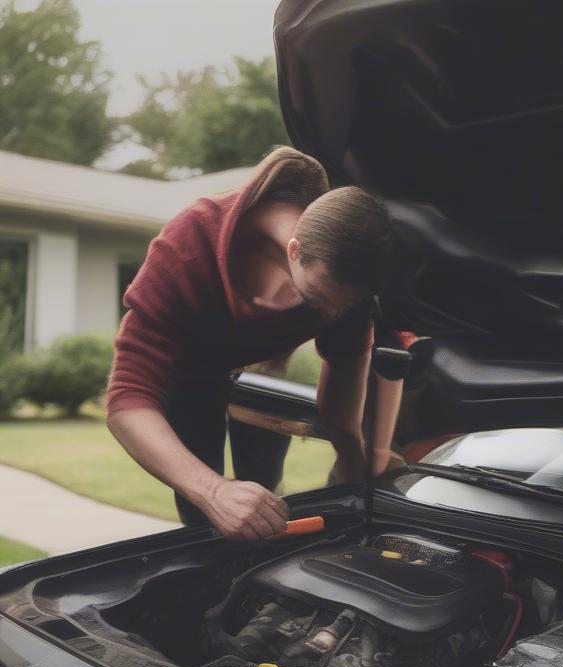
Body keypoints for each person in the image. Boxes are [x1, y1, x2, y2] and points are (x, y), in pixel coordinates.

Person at [106, 146, 404, 542]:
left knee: (264, 500)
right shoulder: (187, 246)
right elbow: (127, 400)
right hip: (188, 374)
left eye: (344, 305)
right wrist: (213, 492)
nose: (333, 314)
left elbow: (347, 360)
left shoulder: (344, 259)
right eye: (319, 298)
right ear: (294, 251)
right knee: (207, 516)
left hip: (259, 368)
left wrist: (352, 454)